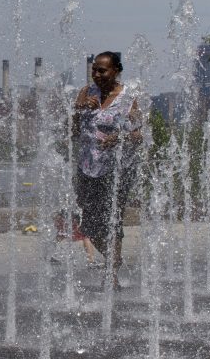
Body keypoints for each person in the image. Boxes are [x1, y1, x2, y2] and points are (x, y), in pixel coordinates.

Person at [73, 51, 142, 289]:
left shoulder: (127, 98)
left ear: (116, 71)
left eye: (102, 70)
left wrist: (118, 138)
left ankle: (111, 274)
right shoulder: (85, 93)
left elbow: (138, 134)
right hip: (87, 167)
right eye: (94, 69)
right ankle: (115, 258)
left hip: (117, 170)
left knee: (113, 221)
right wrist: (79, 109)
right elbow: (72, 132)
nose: (97, 74)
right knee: (88, 224)